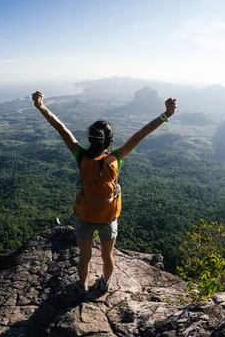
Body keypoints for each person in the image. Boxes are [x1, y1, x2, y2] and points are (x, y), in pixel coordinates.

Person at [32, 90, 177, 294]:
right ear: (109, 141)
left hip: (85, 214)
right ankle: (104, 284)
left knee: (85, 256)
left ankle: (81, 286)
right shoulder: (117, 157)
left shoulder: (81, 155)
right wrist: (166, 114)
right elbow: (141, 134)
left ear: (91, 140)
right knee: (107, 255)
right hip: (108, 215)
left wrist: (41, 106)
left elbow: (61, 129)